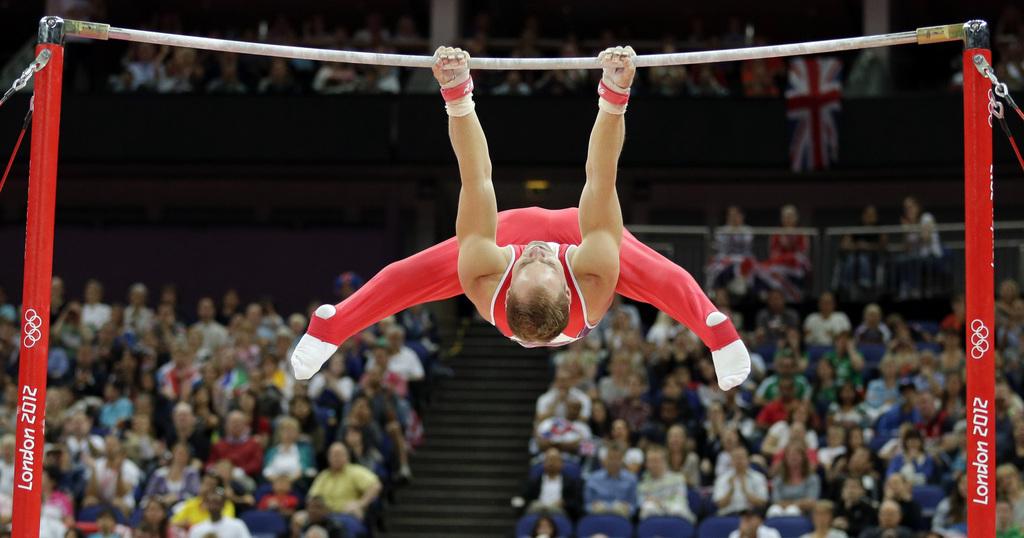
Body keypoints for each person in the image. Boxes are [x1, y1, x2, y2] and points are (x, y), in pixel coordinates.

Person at [291, 47, 750, 392]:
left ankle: (333, 324)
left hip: (502, 242)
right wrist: (615, 92)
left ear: (508, 284)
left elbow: (477, 180)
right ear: (566, 285)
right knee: (664, 279)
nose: (536, 250)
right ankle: (717, 329)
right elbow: (600, 179)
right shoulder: (592, 277)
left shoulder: (484, 276)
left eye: (526, 263)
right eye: (544, 263)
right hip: (581, 239)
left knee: (406, 277)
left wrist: (456, 92)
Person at [307, 443, 382, 519]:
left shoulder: (355, 471)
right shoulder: (323, 475)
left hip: (346, 513)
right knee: (299, 518)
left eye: (339, 454)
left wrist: (361, 503)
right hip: (325, 514)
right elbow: (312, 496)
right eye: (333, 455)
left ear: (347, 456)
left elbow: (376, 485)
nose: (336, 458)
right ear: (328, 458)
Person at [637, 445, 696, 522]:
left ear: (665, 462)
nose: (653, 464)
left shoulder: (678, 479)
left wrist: (659, 503)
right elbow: (641, 504)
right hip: (655, 520)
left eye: (656, 461)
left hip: (677, 518)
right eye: (650, 461)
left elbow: (680, 501)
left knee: (677, 508)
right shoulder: (642, 484)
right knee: (648, 507)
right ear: (646, 464)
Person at [521, 447, 582, 519]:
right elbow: (526, 498)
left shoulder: (571, 482)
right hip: (539, 510)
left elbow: (576, 502)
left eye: (554, 460)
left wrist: (564, 503)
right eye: (548, 460)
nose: (551, 463)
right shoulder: (534, 481)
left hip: (559, 511)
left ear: (561, 463)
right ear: (543, 463)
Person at [583, 443, 637, 517]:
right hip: (598, 515)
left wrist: (627, 508)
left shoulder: (631, 479)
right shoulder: (593, 478)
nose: (614, 462)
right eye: (611, 458)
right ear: (605, 459)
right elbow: (587, 505)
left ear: (622, 460)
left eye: (617, 458)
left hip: (622, 516)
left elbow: (633, 506)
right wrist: (593, 507)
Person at [714, 446, 768, 516]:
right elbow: (719, 504)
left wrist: (745, 491)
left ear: (748, 459)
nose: (739, 461)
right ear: (731, 461)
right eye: (736, 458)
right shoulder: (722, 479)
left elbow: (762, 503)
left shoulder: (758, 477)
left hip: (751, 515)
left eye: (741, 458)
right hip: (728, 515)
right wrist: (731, 490)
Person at [187, 486, 252, 538]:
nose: (214, 506)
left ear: (223, 504)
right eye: (211, 502)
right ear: (206, 504)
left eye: (217, 502)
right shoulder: (197, 529)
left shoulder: (237, 525)